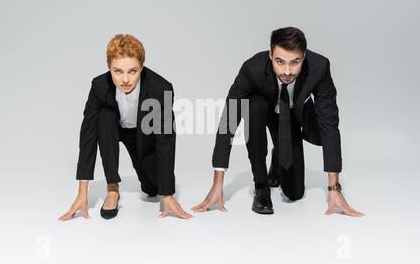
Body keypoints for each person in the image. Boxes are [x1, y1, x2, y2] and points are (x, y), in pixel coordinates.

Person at [193, 27, 364, 217]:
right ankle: (261, 186)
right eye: (280, 62)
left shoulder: (319, 67)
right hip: (260, 111)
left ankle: (277, 159)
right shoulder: (252, 69)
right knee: (254, 107)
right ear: (270, 55)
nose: (287, 71)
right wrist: (218, 184)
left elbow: (329, 123)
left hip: (289, 116)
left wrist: (334, 189)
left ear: (304, 57)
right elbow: (229, 120)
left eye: (295, 62)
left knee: (295, 193)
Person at [59, 34, 192, 220]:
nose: (126, 80)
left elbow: (165, 141)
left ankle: (155, 184)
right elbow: (87, 136)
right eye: (118, 71)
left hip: (142, 133)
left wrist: (167, 194)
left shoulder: (161, 89)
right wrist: (82, 193)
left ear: (142, 68)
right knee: (104, 117)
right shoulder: (98, 86)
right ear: (109, 68)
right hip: (112, 128)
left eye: (133, 71)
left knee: (152, 189)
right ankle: (112, 188)